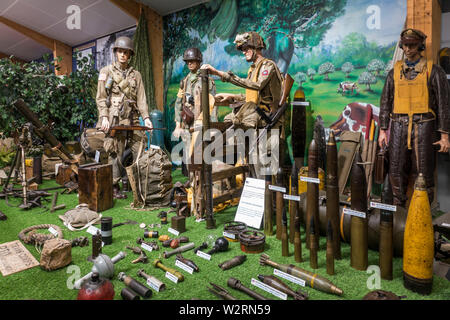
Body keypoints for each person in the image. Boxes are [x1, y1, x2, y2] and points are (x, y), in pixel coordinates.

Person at [378, 28, 450, 207]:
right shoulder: (394, 72)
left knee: (424, 171)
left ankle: (422, 216)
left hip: (424, 127)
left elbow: (443, 104)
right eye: (405, 45)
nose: (408, 49)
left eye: (412, 45)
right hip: (398, 125)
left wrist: (445, 136)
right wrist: (383, 130)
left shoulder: (434, 71)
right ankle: (398, 216)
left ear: (420, 46)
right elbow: (385, 101)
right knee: (395, 169)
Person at [201, 31, 284, 178]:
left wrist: (220, 74)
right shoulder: (252, 69)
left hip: (271, 127)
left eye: (247, 48)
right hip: (257, 125)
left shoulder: (268, 66)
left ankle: (270, 201)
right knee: (255, 169)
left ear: (257, 47)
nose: (244, 52)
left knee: (269, 172)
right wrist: (231, 96)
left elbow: (256, 85)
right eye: (242, 49)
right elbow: (252, 97)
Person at [96, 36, 153, 199]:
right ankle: (114, 185)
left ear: (130, 55)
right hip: (115, 119)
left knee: (139, 148)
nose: (123, 55)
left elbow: (141, 98)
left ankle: (139, 182)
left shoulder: (136, 75)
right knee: (115, 150)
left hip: (133, 118)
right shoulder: (106, 72)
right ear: (116, 53)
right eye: (120, 51)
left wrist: (146, 117)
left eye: (126, 52)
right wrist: (104, 117)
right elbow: (101, 97)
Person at [173, 47, 217, 169]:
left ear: (199, 61)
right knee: (188, 156)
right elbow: (178, 103)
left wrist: (212, 127)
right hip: (187, 125)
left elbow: (213, 105)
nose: (190, 63)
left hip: (201, 125)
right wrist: (178, 125)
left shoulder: (207, 81)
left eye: (192, 60)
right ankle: (192, 183)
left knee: (202, 157)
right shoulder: (184, 82)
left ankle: (201, 184)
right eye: (188, 61)